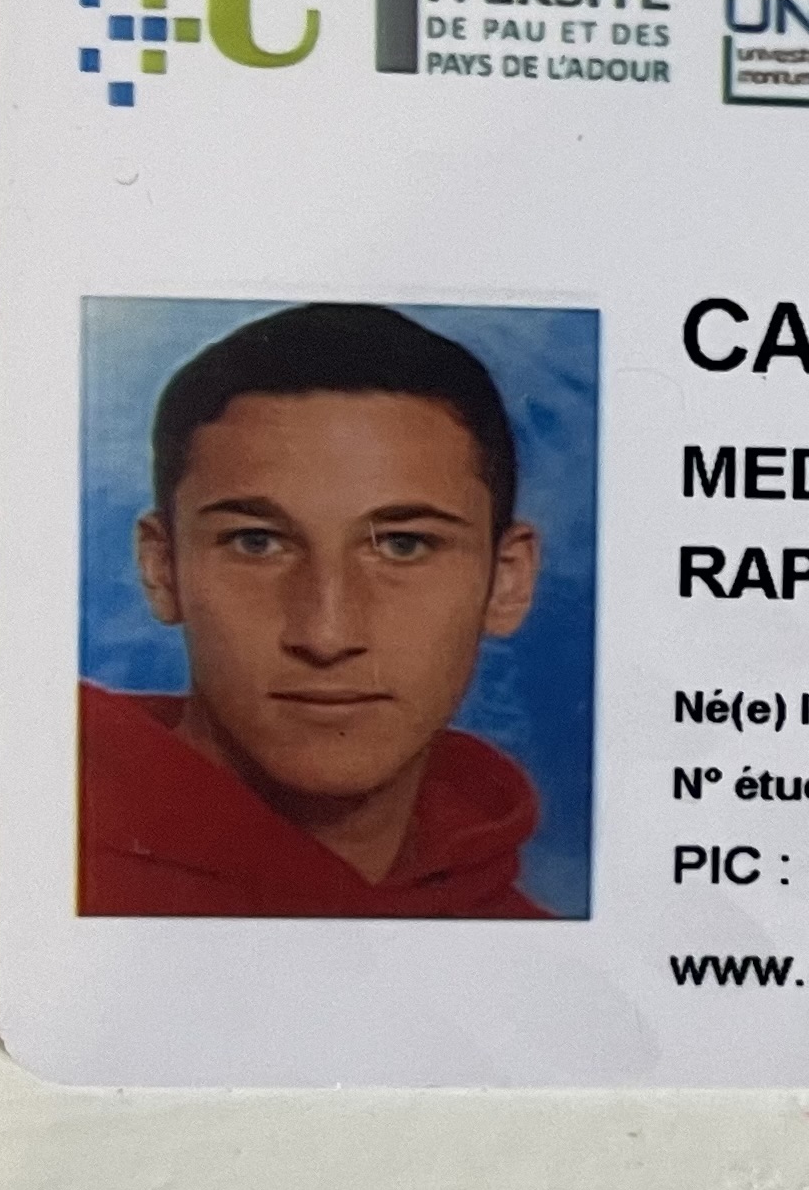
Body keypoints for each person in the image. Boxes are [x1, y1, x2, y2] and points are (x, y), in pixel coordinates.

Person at [80, 303, 551, 917]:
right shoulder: (29, 863)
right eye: (257, 542)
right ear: (162, 568)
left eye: (404, 546)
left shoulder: (538, 951)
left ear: (508, 581)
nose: (327, 635)